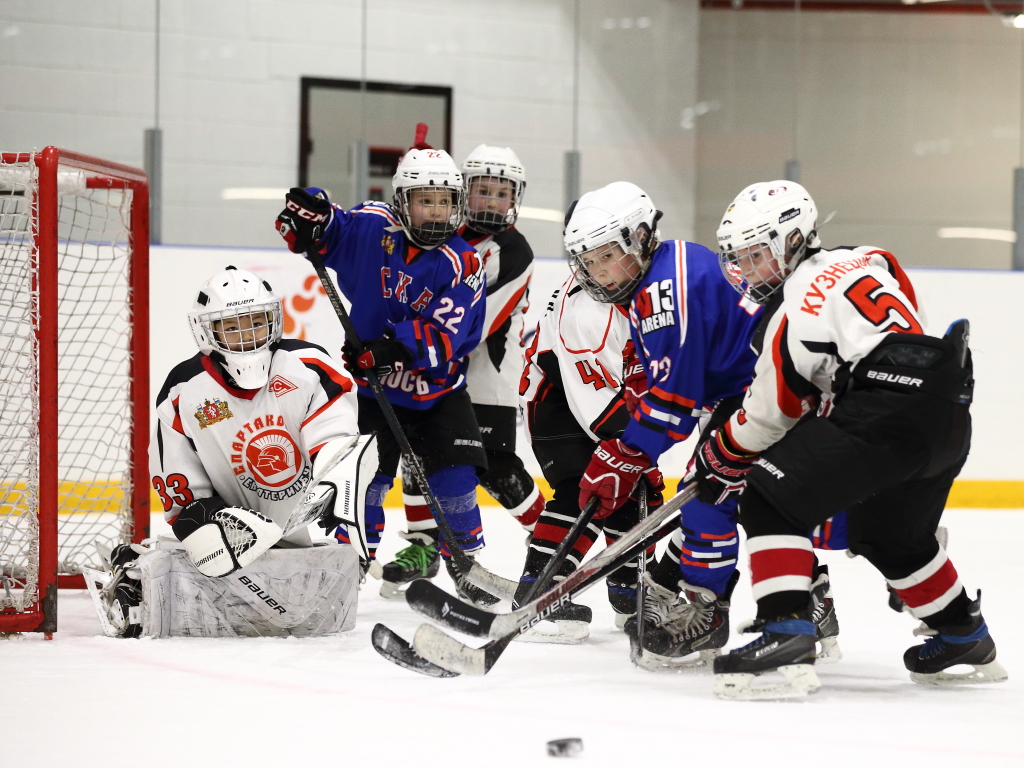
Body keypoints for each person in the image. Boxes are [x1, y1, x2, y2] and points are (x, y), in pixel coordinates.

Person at [694, 180, 1006, 698]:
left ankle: (784, 630)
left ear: (792, 241)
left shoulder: (788, 310)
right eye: (740, 259)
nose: (747, 271)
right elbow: (900, 326)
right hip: (947, 405)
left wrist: (721, 452)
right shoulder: (869, 259)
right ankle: (962, 634)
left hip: (887, 410)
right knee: (889, 533)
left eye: (756, 256)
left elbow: (771, 416)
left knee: (768, 494)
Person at [564, 182, 844, 667]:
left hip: (766, 393)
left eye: (607, 255)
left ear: (638, 237)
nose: (598, 271)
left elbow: (673, 406)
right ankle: (809, 600)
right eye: (588, 261)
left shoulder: (664, 293)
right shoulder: (665, 264)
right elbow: (673, 373)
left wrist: (623, 457)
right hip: (759, 389)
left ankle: (704, 612)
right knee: (745, 499)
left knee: (708, 494)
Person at [275, 125, 497, 606]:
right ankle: (350, 560)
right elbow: (329, 228)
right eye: (425, 201)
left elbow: (450, 336)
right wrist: (308, 218)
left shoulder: (463, 263)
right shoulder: (374, 229)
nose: (436, 212)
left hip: (437, 392)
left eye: (444, 202)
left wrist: (389, 349)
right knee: (365, 479)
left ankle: (466, 564)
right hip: (374, 391)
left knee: (455, 478)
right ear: (402, 201)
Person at [101, 266, 363, 638]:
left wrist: (335, 486)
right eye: (232, 325)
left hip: (302, 531)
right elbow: (179, 490)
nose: (246, 335)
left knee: (317, 605)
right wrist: (213, 521)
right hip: (230, 532)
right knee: (200, 569)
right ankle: (133, 566)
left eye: (256, 322)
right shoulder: (184, 390)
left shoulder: (308, 367)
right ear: (207, 330)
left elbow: (337, 437)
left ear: (274, 321)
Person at [397, 145, 545, 596]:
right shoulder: (444, 235)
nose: (491, 202)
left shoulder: (514, 250)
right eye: (482, 191)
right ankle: (424, 547)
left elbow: (474, 322)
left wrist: (411, 346)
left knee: (495, 466)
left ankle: (552, 538)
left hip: (486, 377)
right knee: (417, 456)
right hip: (437, 369)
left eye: (501, 193)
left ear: (514, 198)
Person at [516, 273, 649, 642]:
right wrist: (637, 446)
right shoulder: (589, 311)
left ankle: (630, 595)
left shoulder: (637, 294)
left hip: (595, 396)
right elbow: (597, 399)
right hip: (556, 401)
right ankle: (538, 589)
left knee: (635, 488)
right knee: (582, 486)